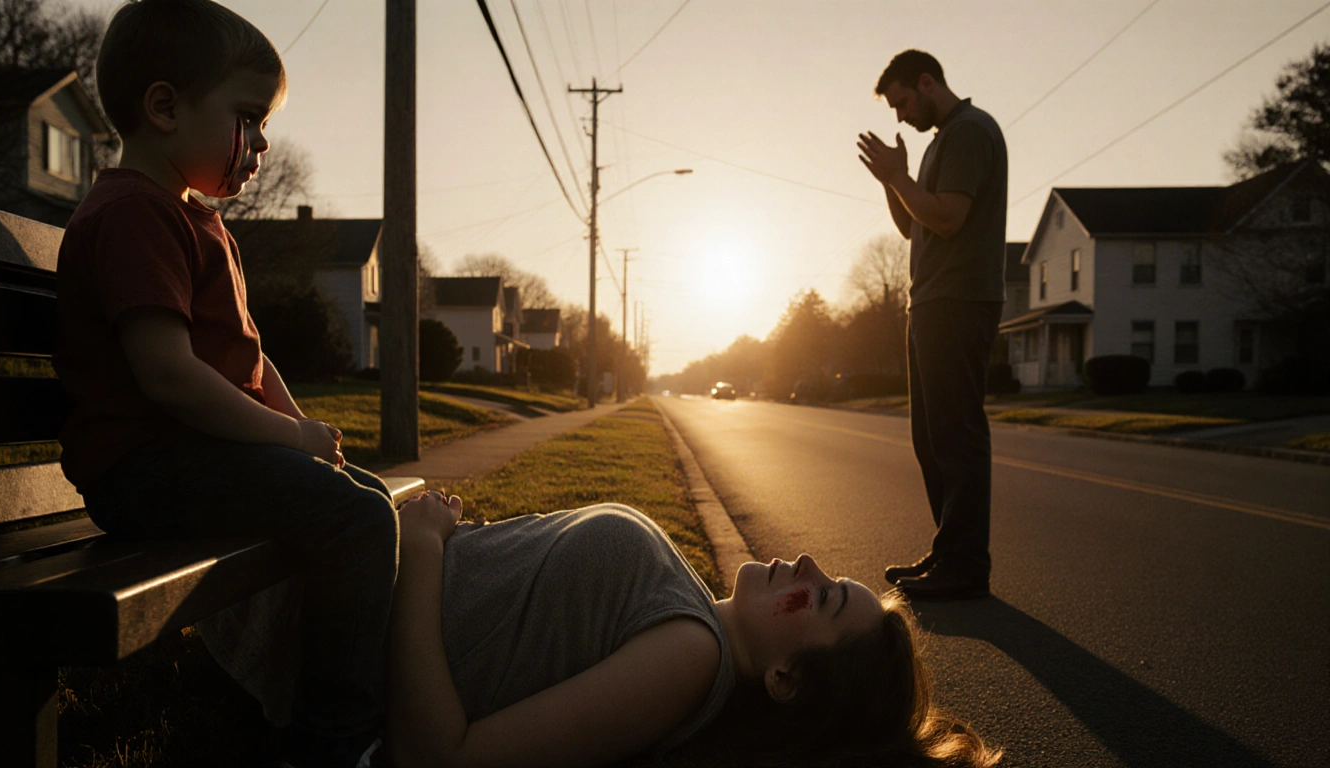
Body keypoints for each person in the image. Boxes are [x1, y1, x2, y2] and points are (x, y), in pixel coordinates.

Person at [52, 2, 397, 766]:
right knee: (359, 523)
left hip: (185, 457)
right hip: (144, 469)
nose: (263, 143)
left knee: (365, 500)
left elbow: (252, 359)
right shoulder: (136, 216)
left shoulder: (194, 221)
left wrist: (309, 436)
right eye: (249, 117)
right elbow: (169, 377)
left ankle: (346, 693)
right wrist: (287, 438)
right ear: (165, 107)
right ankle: (338, 738)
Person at [381, 493, 1002, 768]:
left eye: (823, 599)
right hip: (369, 555)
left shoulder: (691, 656)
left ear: (785, 679)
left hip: (352, 605)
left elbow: (439, 754)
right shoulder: (691, 615)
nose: (810, 565)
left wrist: (425, 547)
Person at [856, 49, 1008, 601]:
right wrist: (891, 182)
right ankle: (950, 552)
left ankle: (966, 564)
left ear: (926, 81)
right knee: (930, 439)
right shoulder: (942, 142)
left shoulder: (970, 131)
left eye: (901, 102)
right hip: (930, 304)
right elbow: (914, 226)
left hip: (959, 302)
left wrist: (901, 175)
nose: (899, 117)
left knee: (956, 434)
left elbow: (947, 217)